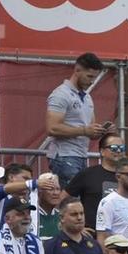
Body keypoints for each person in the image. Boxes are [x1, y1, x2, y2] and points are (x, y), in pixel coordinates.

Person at [43, 54, 110, 182]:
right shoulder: (60, 94)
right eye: (89, 76)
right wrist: (85, 131)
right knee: (71, 199)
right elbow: (52, 128)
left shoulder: (87, 97)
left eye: (94, 78)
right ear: (77, 70)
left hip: (80, 155)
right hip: (64, 156)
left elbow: (91, 131)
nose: (91, 81)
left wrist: (101, 131)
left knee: (77, 199)